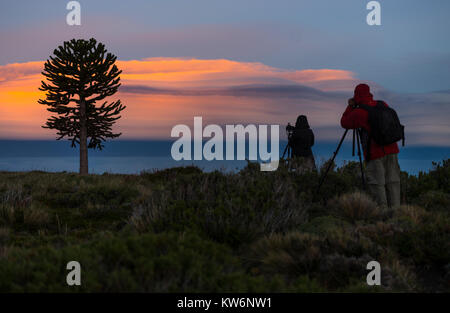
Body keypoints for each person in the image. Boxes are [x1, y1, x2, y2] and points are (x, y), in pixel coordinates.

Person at [340, 83, 401, 208]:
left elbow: (344, 122)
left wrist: (350, 106)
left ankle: (382, 214)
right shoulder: (382, 104)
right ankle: (397, 213)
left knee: (377, 184)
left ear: (356, 95)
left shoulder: (360, 112)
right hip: (392, 149)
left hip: (375, 153)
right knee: (393, 182)